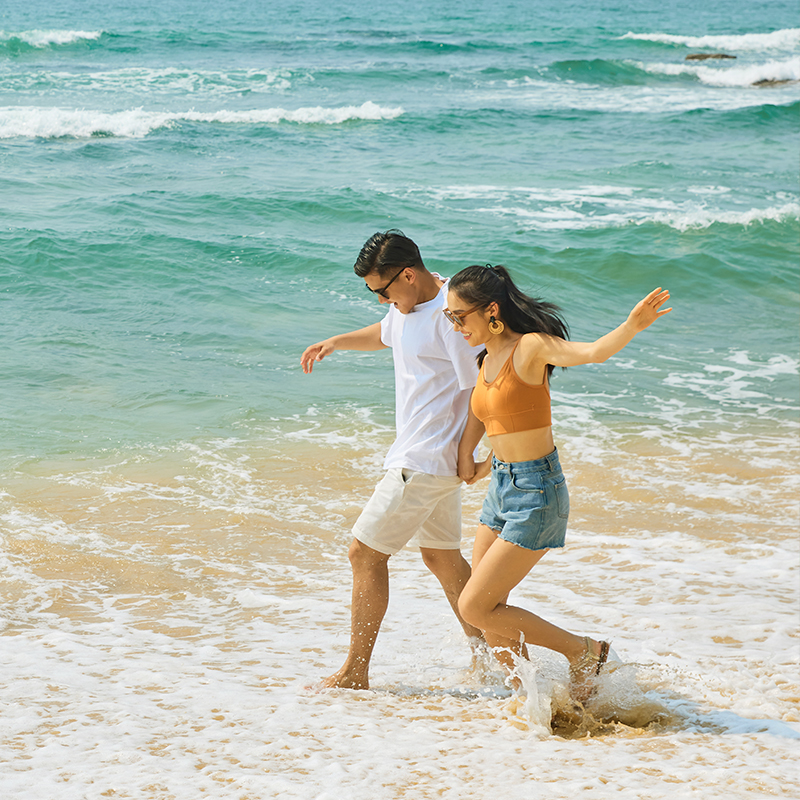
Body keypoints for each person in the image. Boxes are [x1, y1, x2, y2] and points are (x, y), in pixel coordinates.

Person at [445, 264, 671, 700]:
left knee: (474, 605)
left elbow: (593, 353)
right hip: (500, 488)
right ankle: (527, 700)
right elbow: (484, 412)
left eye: (460, 316)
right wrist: (470, 458)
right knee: (490, 612)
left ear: (491, 310)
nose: (455, 326)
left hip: (536, 493)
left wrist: (631, 325)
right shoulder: (485, 359)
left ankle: (584, 652)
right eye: (449, 317)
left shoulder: (529, 347)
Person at [301, 231, 484, 690]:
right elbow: (387, 334)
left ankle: (354, 673)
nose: (382, 301)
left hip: (426, 458)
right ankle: (491, 659)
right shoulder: (404, 306)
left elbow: (481, 389)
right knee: (441, 557)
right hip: (429, 459)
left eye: (382, 291)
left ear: (407, 275)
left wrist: (466, 453)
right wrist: (337, 342)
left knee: (363, 552)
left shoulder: (451, 315)